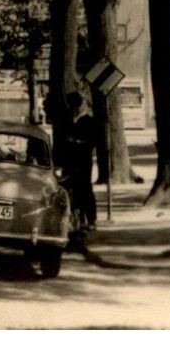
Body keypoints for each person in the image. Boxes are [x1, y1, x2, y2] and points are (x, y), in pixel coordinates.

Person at [62, 92, 98, 234]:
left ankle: (91, 219)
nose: (73, 109)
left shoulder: (88, 120)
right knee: (73, 189)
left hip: (84, 160)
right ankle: (79, 219)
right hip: (71, 160)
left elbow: (92, 142)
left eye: (74, 106)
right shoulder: (69, 120)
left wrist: (76, 142)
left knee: (86, 189)